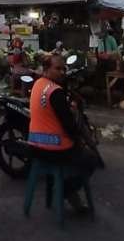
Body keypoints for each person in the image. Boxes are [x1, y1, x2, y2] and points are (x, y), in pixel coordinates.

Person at [28, 54, 100, 212]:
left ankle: (68, 193)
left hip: (34, 146)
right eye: (58, 69)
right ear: (47, 69)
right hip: (54, 149)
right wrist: (79, 140)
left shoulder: (38, 84)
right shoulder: (56, 92)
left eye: (63, 69)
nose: (62, 72)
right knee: (91, 160)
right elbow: (69, 126)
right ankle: (66, 191)